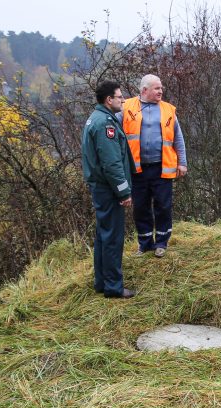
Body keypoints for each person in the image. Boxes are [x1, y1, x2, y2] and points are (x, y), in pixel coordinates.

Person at [119, 74, 188, 258]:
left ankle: (162, 243)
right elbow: (116, 134)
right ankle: (144, 244)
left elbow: (178, 138)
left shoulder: (168, 110)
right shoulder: (126, 107)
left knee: (163, 206)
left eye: (161, 88)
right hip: (137, 170)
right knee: (140, 206)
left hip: (161, 167)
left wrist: (182, 162)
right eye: (157, 88)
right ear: (144, 90)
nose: (161, 91)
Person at [81, 80, 136, 298]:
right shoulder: (105, 124)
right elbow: (112, 164)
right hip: (108, 190)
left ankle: (101, 283)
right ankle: (113, 287)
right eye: (119, 96)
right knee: (112, 238)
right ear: (108, 100)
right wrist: (124, 192)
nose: (123, 100)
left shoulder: (96, 119)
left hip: (100, 188)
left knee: (103, 236)